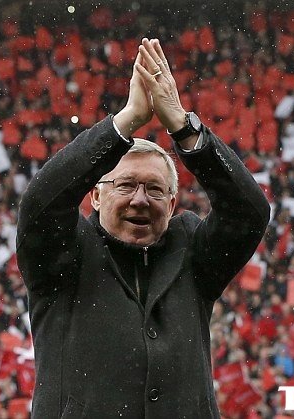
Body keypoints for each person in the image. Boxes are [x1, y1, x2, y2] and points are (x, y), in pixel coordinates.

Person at [17, 38, 270, 418]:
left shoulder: (191, 253)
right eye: (125, 185)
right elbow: (41, 203)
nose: (139, 200)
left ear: (172, 204)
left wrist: (184, 128)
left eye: (154, 189)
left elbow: (249, 212)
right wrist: (126, 121)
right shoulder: (66, 253)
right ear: (96, 196)